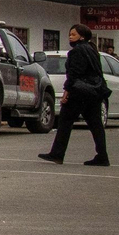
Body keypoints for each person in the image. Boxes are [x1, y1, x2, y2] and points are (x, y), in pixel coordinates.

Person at [39, 23, 110, 167]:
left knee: (65, 121)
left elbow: (74, 74)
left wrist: (67, 91)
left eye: (73, 35)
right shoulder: (92, 49)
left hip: (79, 93)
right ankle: (103, 156)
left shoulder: (77, 51)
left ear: (82, 36)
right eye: (69, 35)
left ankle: (58, 154)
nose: (70, 37)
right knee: (96, 125)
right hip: (94, 92)